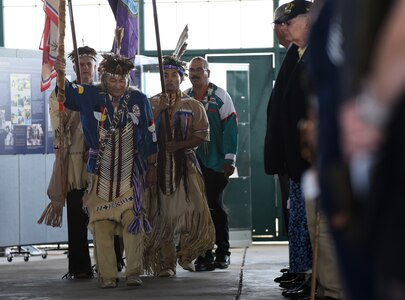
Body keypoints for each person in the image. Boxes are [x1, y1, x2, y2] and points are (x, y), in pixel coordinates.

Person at [53, 35, 158, 288]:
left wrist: (152, 165)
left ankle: (133, 271)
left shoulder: (138, 99)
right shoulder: (89, 94)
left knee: (132, 220)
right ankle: (107, 275)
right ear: (104, 78)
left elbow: (150, 131)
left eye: (122, 79)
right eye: (113, 79)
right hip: (99, 172)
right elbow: (65, 94)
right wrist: (59, 73)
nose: (118, 84)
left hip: (130, 171)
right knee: (100, 224)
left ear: (127, 79)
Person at [145, 55, 215, 277]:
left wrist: (180, 145)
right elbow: (142, 133)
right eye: (165, 75)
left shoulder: (193, 105)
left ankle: (187, 253)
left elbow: (202, 135)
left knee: (192, 208)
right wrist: (157, 111)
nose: (169, 79)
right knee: (162, 213)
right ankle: (166, 263)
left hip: (186, 164)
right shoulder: (150, 103)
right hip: (159, 164)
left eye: (174, 75)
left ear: (181, 78)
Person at [267, 1, 314, 298]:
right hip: (292, 155)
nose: (281, 29)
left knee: (309, 221)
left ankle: (311, 274)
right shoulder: (294, 55)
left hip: (310, 155)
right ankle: (301, 268)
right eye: (279, 24)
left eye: (287, 23)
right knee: (296, 216)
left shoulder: (317, 56)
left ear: (308, 21)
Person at [46, 46, 97, 279]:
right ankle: (80, 267)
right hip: (76, 164)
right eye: (81, 64)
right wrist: (60, 81)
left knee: (108, 216)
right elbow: (58, 121)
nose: (85, 68)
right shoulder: (66, 92)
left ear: (95, 67)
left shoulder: (105, 92)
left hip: (103, 166)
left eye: (89, 64)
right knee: (77, 216)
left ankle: (112, 263)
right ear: (74, 68)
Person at [183, 56, 238, 271]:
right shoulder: (185, 97)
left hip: (216, 162)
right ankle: (204, 254)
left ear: (208, 72)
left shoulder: (220, 97)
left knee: (214, 206)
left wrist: (229, 159)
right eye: (192, 70)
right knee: (197, 208)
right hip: (192, 163)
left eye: (199, 69)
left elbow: (231, 128)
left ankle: (222, 252)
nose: (195, 73)